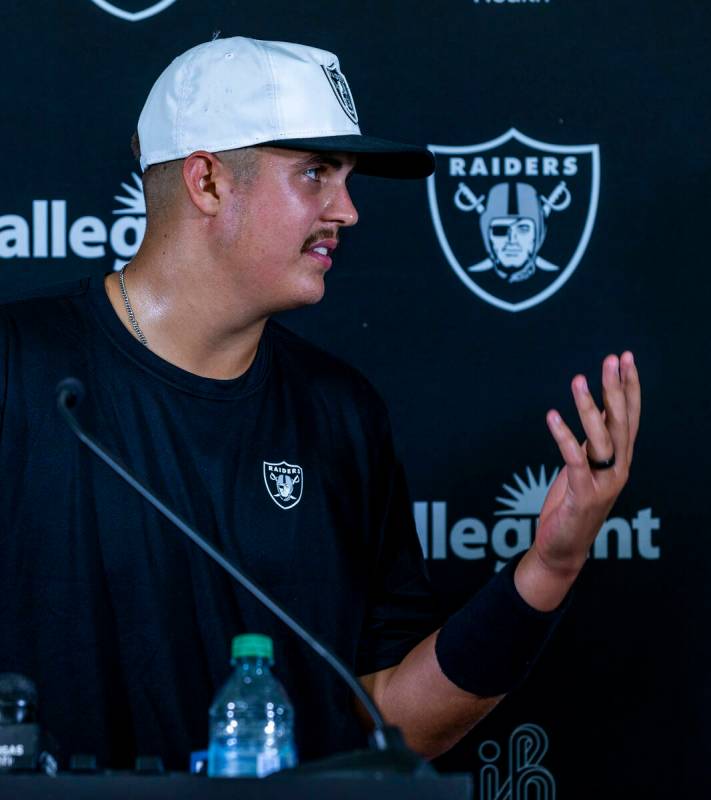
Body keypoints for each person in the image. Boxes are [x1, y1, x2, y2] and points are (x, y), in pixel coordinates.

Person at [0, 36, 640, 770]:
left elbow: (388, 715)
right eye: (315, 173)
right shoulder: (19, 366)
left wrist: (546, 568)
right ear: (207, 182)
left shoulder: (341, 414)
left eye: (346, 176)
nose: (348, 210)